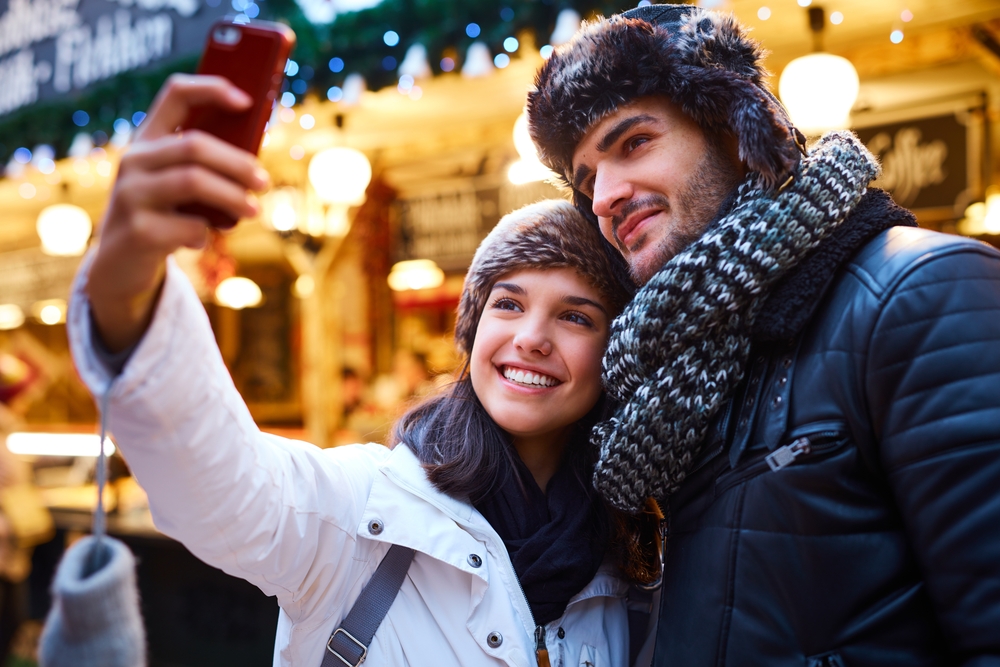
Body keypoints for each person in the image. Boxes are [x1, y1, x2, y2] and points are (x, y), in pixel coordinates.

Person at [67, 74, 653, 666]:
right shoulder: (361, 514)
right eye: (507, 303)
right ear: (474, 330)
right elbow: (222, 485)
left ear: (616, 351)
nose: (530, 338)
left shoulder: (627, 554)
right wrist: (127, 281)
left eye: (576, 317)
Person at [525, 3, 1000, 664]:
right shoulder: (669, 378)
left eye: (633, 142)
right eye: (585, 178)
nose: (603, 194)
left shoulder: (918, 293)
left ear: (731, 130)